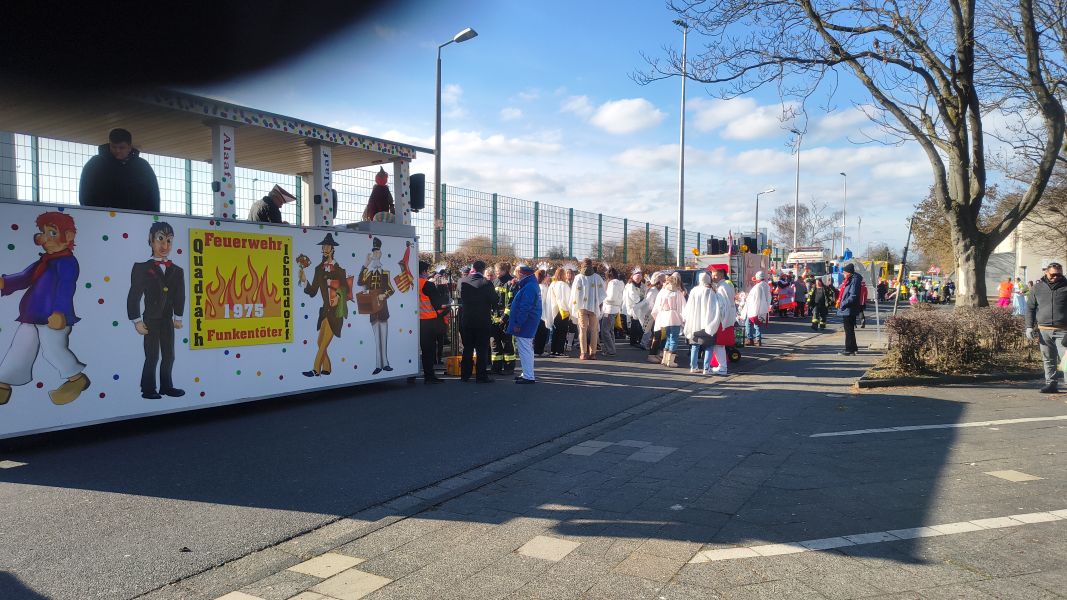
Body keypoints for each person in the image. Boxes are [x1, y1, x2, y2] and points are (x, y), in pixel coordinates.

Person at [0, 212, 90, 406]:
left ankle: (77, 379)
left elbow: (66, 287)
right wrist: (5, 282)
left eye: (52, 233)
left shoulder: (67, 263)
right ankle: (3, 384)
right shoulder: (44, 262)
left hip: (53, 317)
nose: (43, 238)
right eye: (43, 232)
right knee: (20, 347)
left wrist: (59, 312)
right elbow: (24, 277)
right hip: (32, 313)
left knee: (53, 349)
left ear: (68, 236)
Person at [127, 221, 185, 399]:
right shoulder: (141, 268)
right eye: (160, 239)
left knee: (169, 355)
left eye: (169, 241)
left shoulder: (177, 271)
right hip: (150, 320)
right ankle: (148, 388)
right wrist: (137, 320)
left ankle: (166, 386)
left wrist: (178, 317)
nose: (164, 245)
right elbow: (134, 295)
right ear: (151, 240)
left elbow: (180, 296)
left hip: (167, 319)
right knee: (152, 356)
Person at [301, 233, 350, 377]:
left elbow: (346, 289)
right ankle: (327, 368)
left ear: (332, 249)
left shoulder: (339, 270)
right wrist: (304, 281)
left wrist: (339, 296)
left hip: (335, 312)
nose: (325, 249)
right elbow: (313, 291)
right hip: (324, 312)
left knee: (323, 344)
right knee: (319, 342)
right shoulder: (318, 269)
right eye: (323, 247)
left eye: (327, 246)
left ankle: (315, 369)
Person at [78, 128, 161, 212]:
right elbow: (85, 192)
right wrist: (89, 212)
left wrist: (153, 215)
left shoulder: (142, 166)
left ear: (129, 147)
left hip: (135, 216)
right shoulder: (95, 164)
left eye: (121, 148)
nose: (117, 151)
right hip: (102, 215)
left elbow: (153, 194)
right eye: (113, 147)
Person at [1026, 263, 1066, 394]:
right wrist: (1029, 326)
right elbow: (1030, 308)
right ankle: (1051, 384)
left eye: (1059, 275)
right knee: (1048, 359)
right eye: (1053, 274)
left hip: (1063, 330)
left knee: (1066, 360)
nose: (1056, 277)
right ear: (1046, 273)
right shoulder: (1037, 288)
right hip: (1044, 330)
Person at [459, 260, 497, 383]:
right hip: (482, 320)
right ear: (483, 269)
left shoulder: (462, 281)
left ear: (473, 268)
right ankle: (481, 376)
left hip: (467, 319)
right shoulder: (486, 283)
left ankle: (465, 375)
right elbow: (494, 300)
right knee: (482, 349)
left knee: (467, 348)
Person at [506, 264, 542, 384]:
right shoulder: (531, 285)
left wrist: (518, 323)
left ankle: (528, 376)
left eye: (517, 273)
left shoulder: (529, 287)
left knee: (525, 349)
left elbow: (525, 307)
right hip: (529, 321)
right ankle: (527, 373)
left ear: (521, 273)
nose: (516, 275)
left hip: (526, 322)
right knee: (526, 348)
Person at [570, 258, 606, 361]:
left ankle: (583, 353)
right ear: (591, 265)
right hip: (594, 307)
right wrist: (599, 305)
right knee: (594, 330)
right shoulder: (597, 277)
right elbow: (602, 293)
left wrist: (575, 306)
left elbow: (574, 294)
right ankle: (593, 353)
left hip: (581, 307)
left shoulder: (578, 277)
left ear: (582, 265)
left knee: (582, 330)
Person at [418, 261, 446, 384]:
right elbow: (438, 304)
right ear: (424, 271)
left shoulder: (409, 283)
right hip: (428, 321)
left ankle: (410, 376)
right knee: (428, 350)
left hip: (413, 321)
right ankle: (429, 376)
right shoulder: (427, 285)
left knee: (412, 349)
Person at [651, 272, 687, 368]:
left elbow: (657, 306)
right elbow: (683, 307)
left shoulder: (663, 292)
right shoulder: (677, 292)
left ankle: (664, 359)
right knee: (674, 338)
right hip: (675, 317)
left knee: (668, 337)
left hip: (664, 317)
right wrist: (684, 318)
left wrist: (658, 317)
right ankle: (670, 361)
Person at [682, 271, 715, 373]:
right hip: (706, 322)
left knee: (695, 345)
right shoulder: (710, 291)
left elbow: (688, 306)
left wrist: (686, 319)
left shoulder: (694, 290)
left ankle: (693, 366)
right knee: (709, 345)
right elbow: (713, 308)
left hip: (694, 322)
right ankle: (706, 368)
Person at [490, 262, 517, 374]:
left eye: (499, 271)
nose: (497, 273)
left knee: (507, 343)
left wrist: (505, 317)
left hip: (507, 319)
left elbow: (511, 302)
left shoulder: (511, 283)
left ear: (505, 270)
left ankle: (509, 368)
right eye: (496, 271)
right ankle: (496, 367)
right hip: (494, 318)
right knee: (495, 344)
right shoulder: (495, 282)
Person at [837, 263, 864, 356]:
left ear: (849, 273)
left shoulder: (854, 280)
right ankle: (853, 348)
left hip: (849, 308)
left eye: (844, 272)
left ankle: (849, 349)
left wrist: (842, 303)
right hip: (848, 308)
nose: (843, 274)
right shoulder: (850, 279)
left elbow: (853, 295)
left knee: (848, 330)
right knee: (850, 329)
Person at [740, 271, 771, 346]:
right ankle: (758, 340)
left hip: (754, 308)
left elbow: (754, 298)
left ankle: (750, 339)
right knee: (758, 324)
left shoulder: (757, 287)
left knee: (748, 323)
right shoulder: (766, 285)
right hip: (763, 308)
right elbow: (769, 297)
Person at [547, 267, 572, 356]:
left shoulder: (552, 284)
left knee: (555, 331)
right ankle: (559, 351)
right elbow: (568, 299)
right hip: (563, 311)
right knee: (562, 331)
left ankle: (553, 350)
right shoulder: (564, 285)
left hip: (554, 310)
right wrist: (570, 309)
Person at [600, 267, 624, 357]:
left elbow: (611, 298)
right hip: (615, 309)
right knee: (610, 330)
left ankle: (610, 350)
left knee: (605, 331)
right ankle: (611, 348)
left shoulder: (612, 283)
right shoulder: (620, 283)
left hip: (609, 309)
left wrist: (603, 299)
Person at [623, 267, 649, 348]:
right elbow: (635, 298)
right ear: (633, 277)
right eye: (637, 278)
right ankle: (634, 341)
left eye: (639, 277)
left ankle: (638, 340)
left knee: (638, 324)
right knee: (635, 324)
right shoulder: (630, 285)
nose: (638, 279)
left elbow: (645, 292)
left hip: (639, 308)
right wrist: (644, 299)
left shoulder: (642, 285)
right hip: (632, 307)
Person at [645, 272, 666, 362]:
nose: (664, 282)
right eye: (663, 280)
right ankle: (651, 355)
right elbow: (649, 303)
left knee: (658, 336)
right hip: (654, 316)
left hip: (657, 316)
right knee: (656, 336)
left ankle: (654, 353)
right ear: (658, 281)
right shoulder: (653, 290)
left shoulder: (657, 290)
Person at [534, 268, 553, 357]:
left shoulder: (540, 287)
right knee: (541, 333)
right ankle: (538, 350)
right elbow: (542, 301)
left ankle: (538, 350)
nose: (549, 278)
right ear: (544, 277)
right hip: (542, 314)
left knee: (540, 332)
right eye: (547, 276)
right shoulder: (543, 288)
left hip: (540, 313)